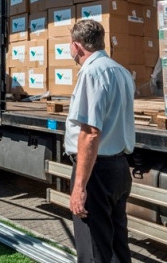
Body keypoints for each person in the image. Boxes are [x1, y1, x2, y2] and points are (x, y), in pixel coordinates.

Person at [64, 20, 135, 263]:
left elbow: (91, 132)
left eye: (70, 46)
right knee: (117, 246)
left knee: (94, 249)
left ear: (77, 46)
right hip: (118, 168)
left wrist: (79, 186)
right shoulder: (121, 71)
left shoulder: (91, 73)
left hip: (96, 171)